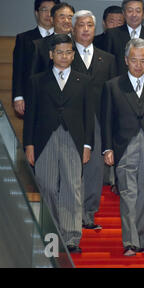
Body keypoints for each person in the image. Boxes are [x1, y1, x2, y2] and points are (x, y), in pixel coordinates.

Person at [23, 34, 94, 254]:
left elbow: (88, 116)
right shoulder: (37, 80)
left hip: (74, 139)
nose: (64, 56)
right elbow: (31, 115)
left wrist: (88, 146)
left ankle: (71, 237)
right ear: (51, 54)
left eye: (68, 52)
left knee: (72, 188)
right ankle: (51, 235)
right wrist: (29, 145)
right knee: (47, 187)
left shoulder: (84, 80)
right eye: (60, 52)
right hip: (44, 140)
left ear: (73, 55)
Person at [101, 38, 144, 256]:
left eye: (143, 60)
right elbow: (106, 120)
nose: (139, 65)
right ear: (126, 60)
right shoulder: (112, 86)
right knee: (128, 195)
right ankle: (130, 242)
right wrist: (107, 148)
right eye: (134, 60)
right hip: (124, 146)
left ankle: (141, 239)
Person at [71, 10, 118, 230]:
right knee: (72, 167)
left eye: (90, 25)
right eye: (81, 25)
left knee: (94, 169)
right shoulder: (65, 54)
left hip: (98, 119)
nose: (86, 29)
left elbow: (112, 92)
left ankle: (88, 213)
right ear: (73, 28)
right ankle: (71, 213)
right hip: (70, 119)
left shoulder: (106, 58)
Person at [12, 0, 60, 116]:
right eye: (44, 10)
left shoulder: (64, 39)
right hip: (32, 97)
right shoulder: (24, 38)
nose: (48, 14)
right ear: (36, 13)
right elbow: (18, 69)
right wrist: (18, 96)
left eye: (52, 10)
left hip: (59, 99)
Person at [104, 0, 144, 76]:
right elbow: (107, 64)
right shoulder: (112, 34)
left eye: (138, 11)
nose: (134, 14)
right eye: (130, 11)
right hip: (118, 84)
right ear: (123, 13)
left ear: (143, 14)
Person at [31, 2, 75, 75]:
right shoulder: (40, 45)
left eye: (70, 18)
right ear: (52, 19)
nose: (66, 21)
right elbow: (35, 77)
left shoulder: (80, 43)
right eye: (62, 17)